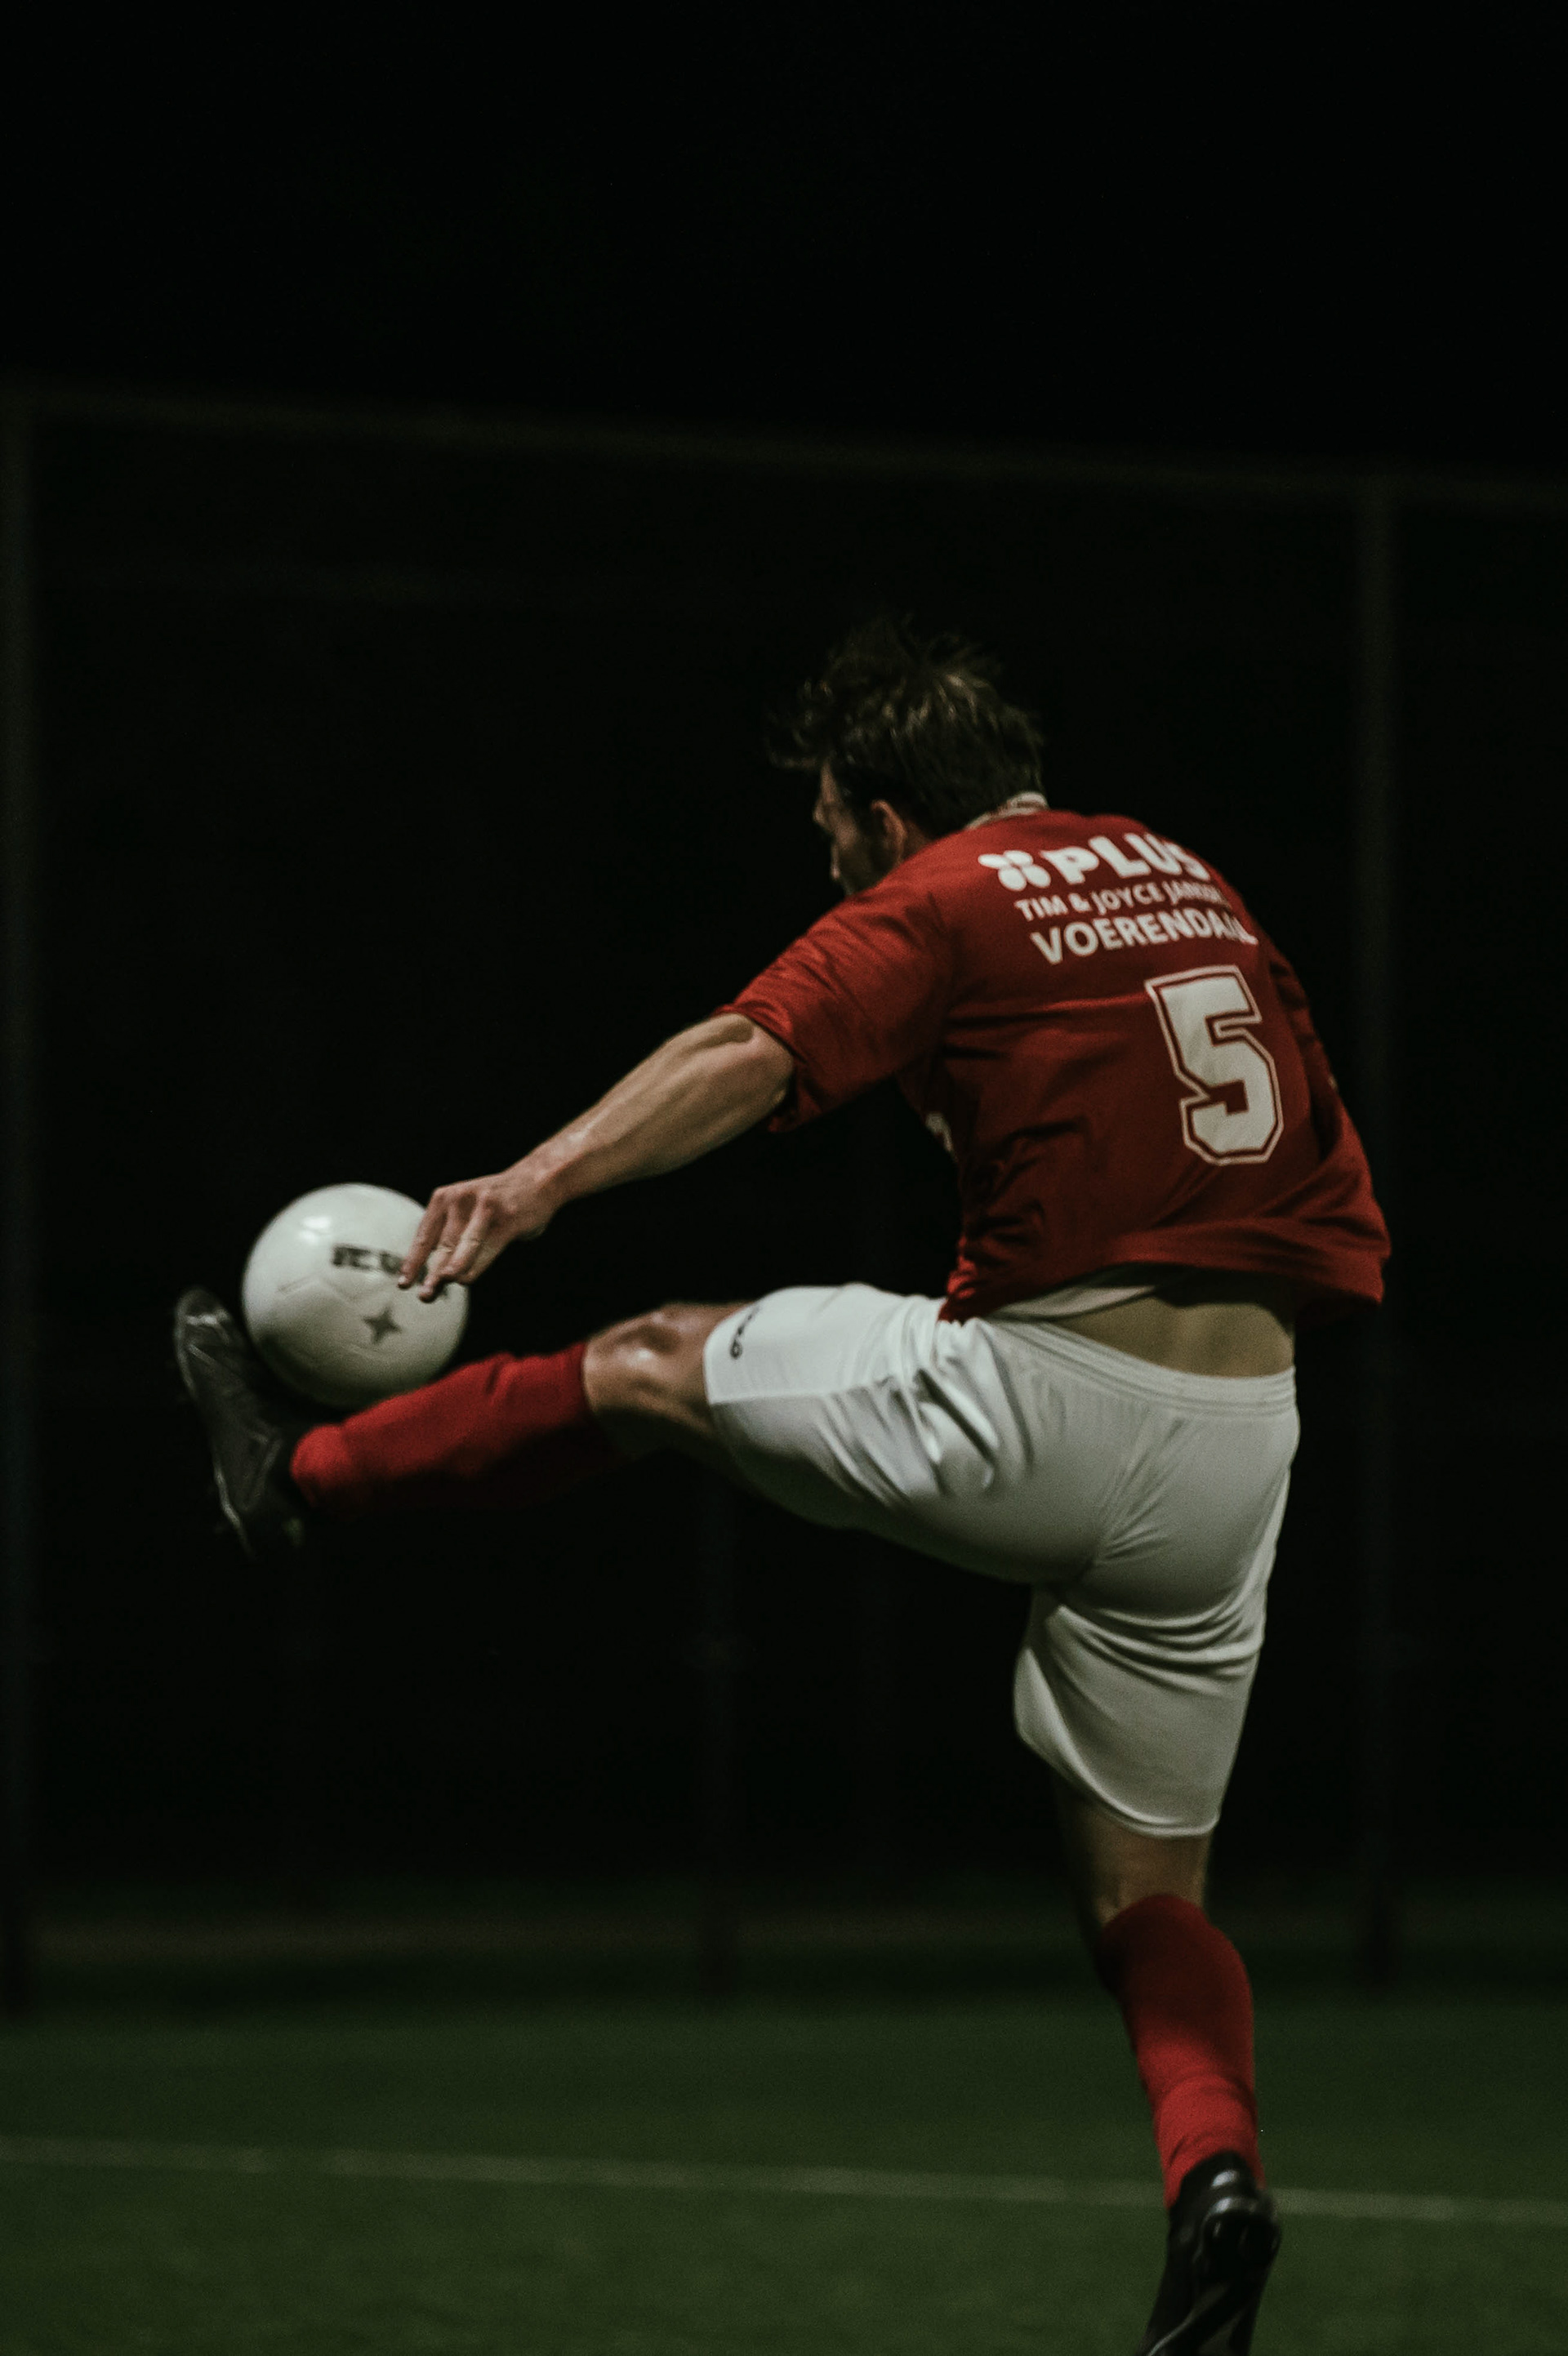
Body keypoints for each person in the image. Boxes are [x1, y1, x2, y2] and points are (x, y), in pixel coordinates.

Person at [176, 618, 1387, 2355]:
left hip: (1051, 1397)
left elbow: (748, 1050)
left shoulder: (945, 893)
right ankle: (1215, 2181)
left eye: (829, 833)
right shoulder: (1191, 879)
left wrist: (534, 1182)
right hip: (1242, 1439)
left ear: (889, 816)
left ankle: (298, 1476)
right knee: (1149, 1900)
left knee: (649, 1358)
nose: (827, 866)